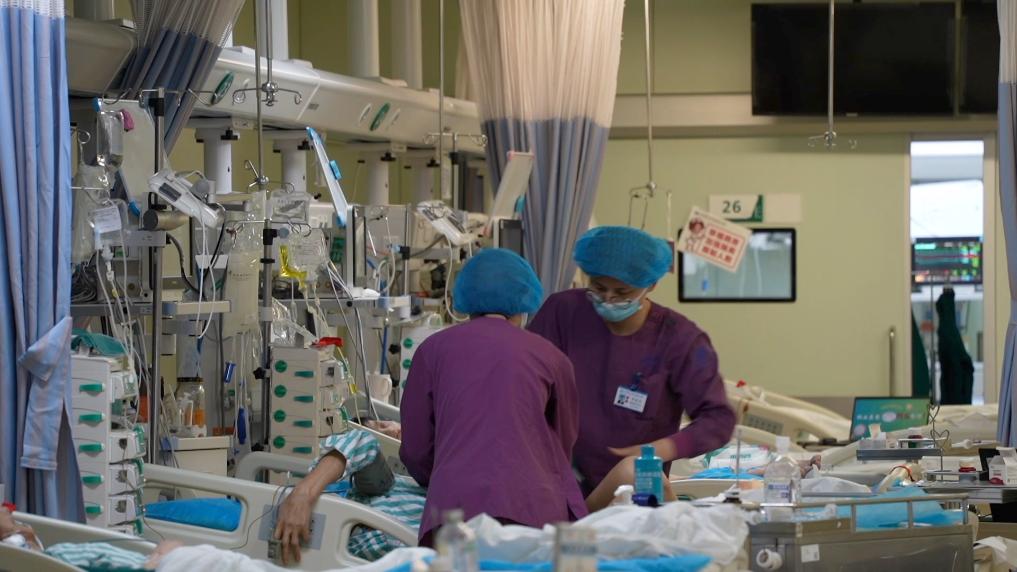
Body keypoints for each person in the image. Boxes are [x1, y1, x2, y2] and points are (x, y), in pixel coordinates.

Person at [528, 226, 736, 500]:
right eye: (599, 287)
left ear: (651, 286)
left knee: (629, 481)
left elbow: (719, 419)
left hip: (636, 490)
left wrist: (660, 450)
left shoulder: (680, 340)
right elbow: (525, 380)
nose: (608, 299)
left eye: (622, 292)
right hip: (557, 478)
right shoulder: (564, 312)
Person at [400, 248, 588, 546]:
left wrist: (442, 475)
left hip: (455, 509)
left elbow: (416, 449)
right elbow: (562, 443)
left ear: (465, 301)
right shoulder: (551, 357)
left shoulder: (433, 350)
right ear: (524, 303)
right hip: (534, 509)